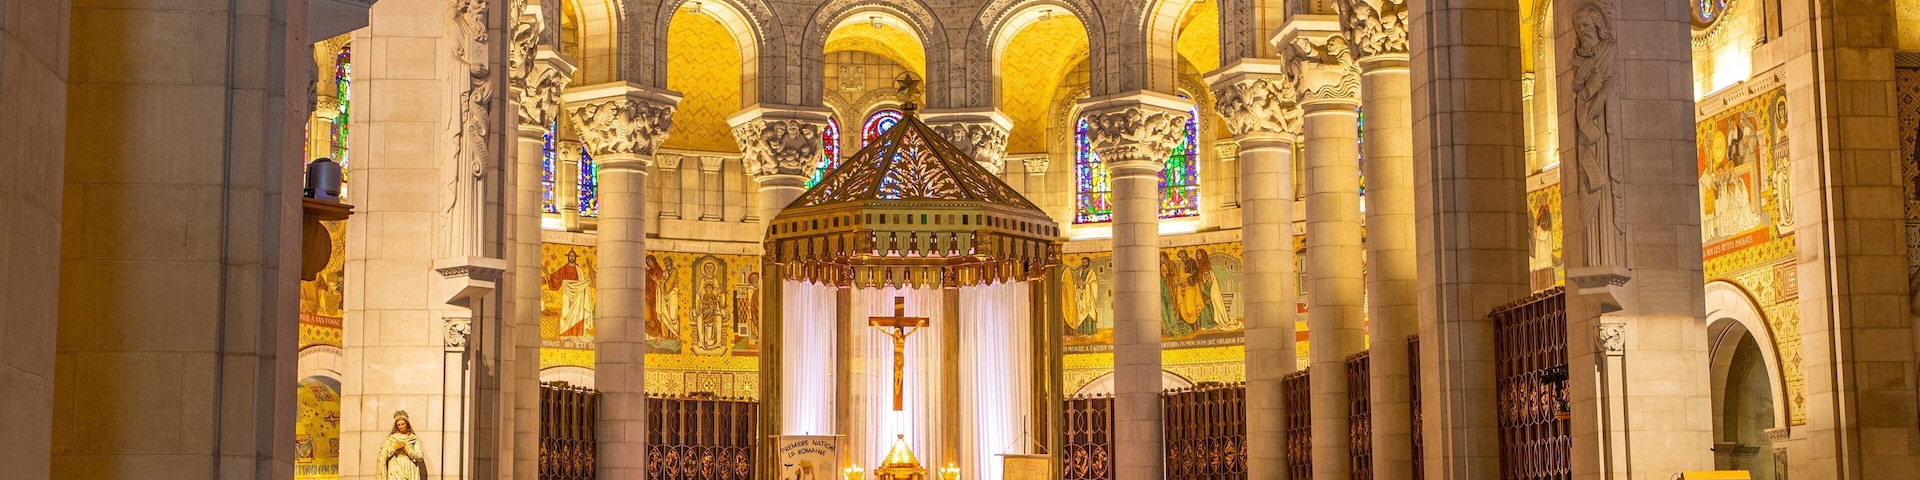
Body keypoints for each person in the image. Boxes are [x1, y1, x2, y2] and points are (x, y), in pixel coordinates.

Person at [377, 410, 425, 480]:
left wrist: (408, 449)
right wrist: (394, 448)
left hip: (410, 467)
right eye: (398, 425)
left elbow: (420, 456)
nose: (401, 427)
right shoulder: (391, 438)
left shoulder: (413, 438)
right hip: (395, 468)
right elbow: (382, 455)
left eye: (403, 424)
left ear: (407, 424)